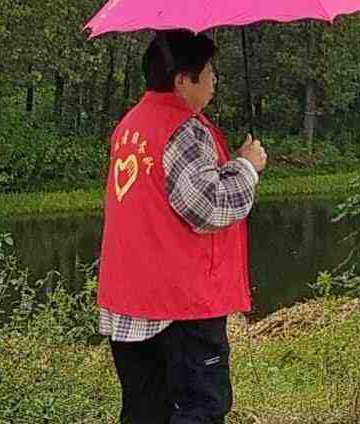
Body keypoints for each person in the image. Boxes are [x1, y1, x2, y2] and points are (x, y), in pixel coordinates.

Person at [97, 30, 269, 424]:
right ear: (182, 80)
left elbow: (170, 195)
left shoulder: (131, 125)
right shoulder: (185, 130)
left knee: (144, 411)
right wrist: (247, 167)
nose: (214, 80)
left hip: (131, 298)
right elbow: (207, 208)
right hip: (180, 304)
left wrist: (229, 167)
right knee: (200, 409)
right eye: (208, 72)